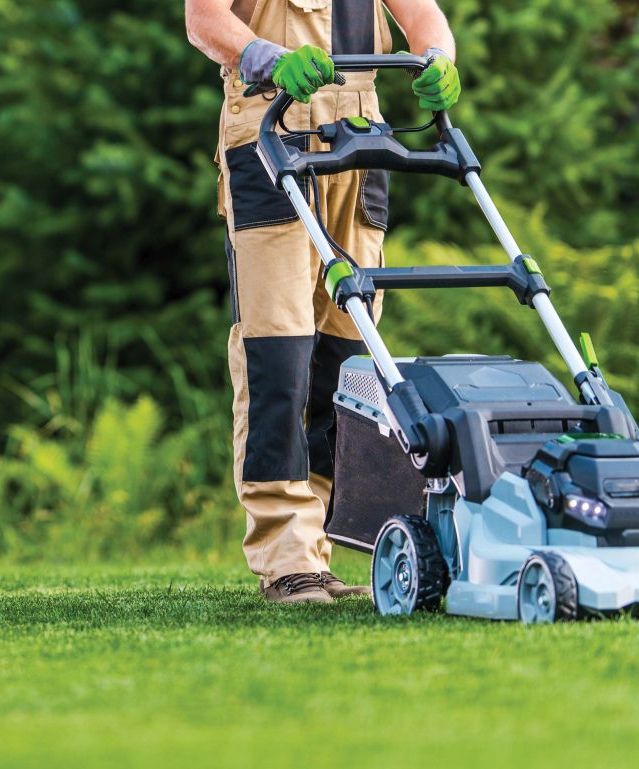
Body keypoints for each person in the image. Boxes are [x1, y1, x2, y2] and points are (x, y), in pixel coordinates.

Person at [185, 0, 461, 603]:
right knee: (277, 352)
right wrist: (267, 58)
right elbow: (203, 19)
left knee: (349, 357)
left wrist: (439, 57)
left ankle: (321, 548)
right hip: (269, 129)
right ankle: (287, 555)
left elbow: (424, 17)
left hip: (358, 142)